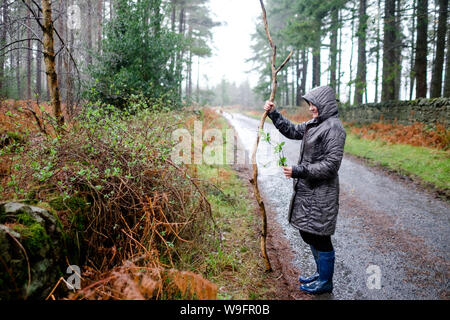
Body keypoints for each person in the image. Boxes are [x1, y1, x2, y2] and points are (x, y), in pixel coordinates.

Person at [263, 86, 346, 294]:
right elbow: (291, 131)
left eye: (313, 104)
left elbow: (330, 165)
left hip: (323, 192)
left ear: (323, 104)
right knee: (309, 233)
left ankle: (326, 282)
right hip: (309, 190)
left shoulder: (334, 128)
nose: (310, 109)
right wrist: (274, 114)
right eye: (309, 104)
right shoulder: (314, 124)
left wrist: (298, 170)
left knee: (320, 236)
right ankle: (321, 274)